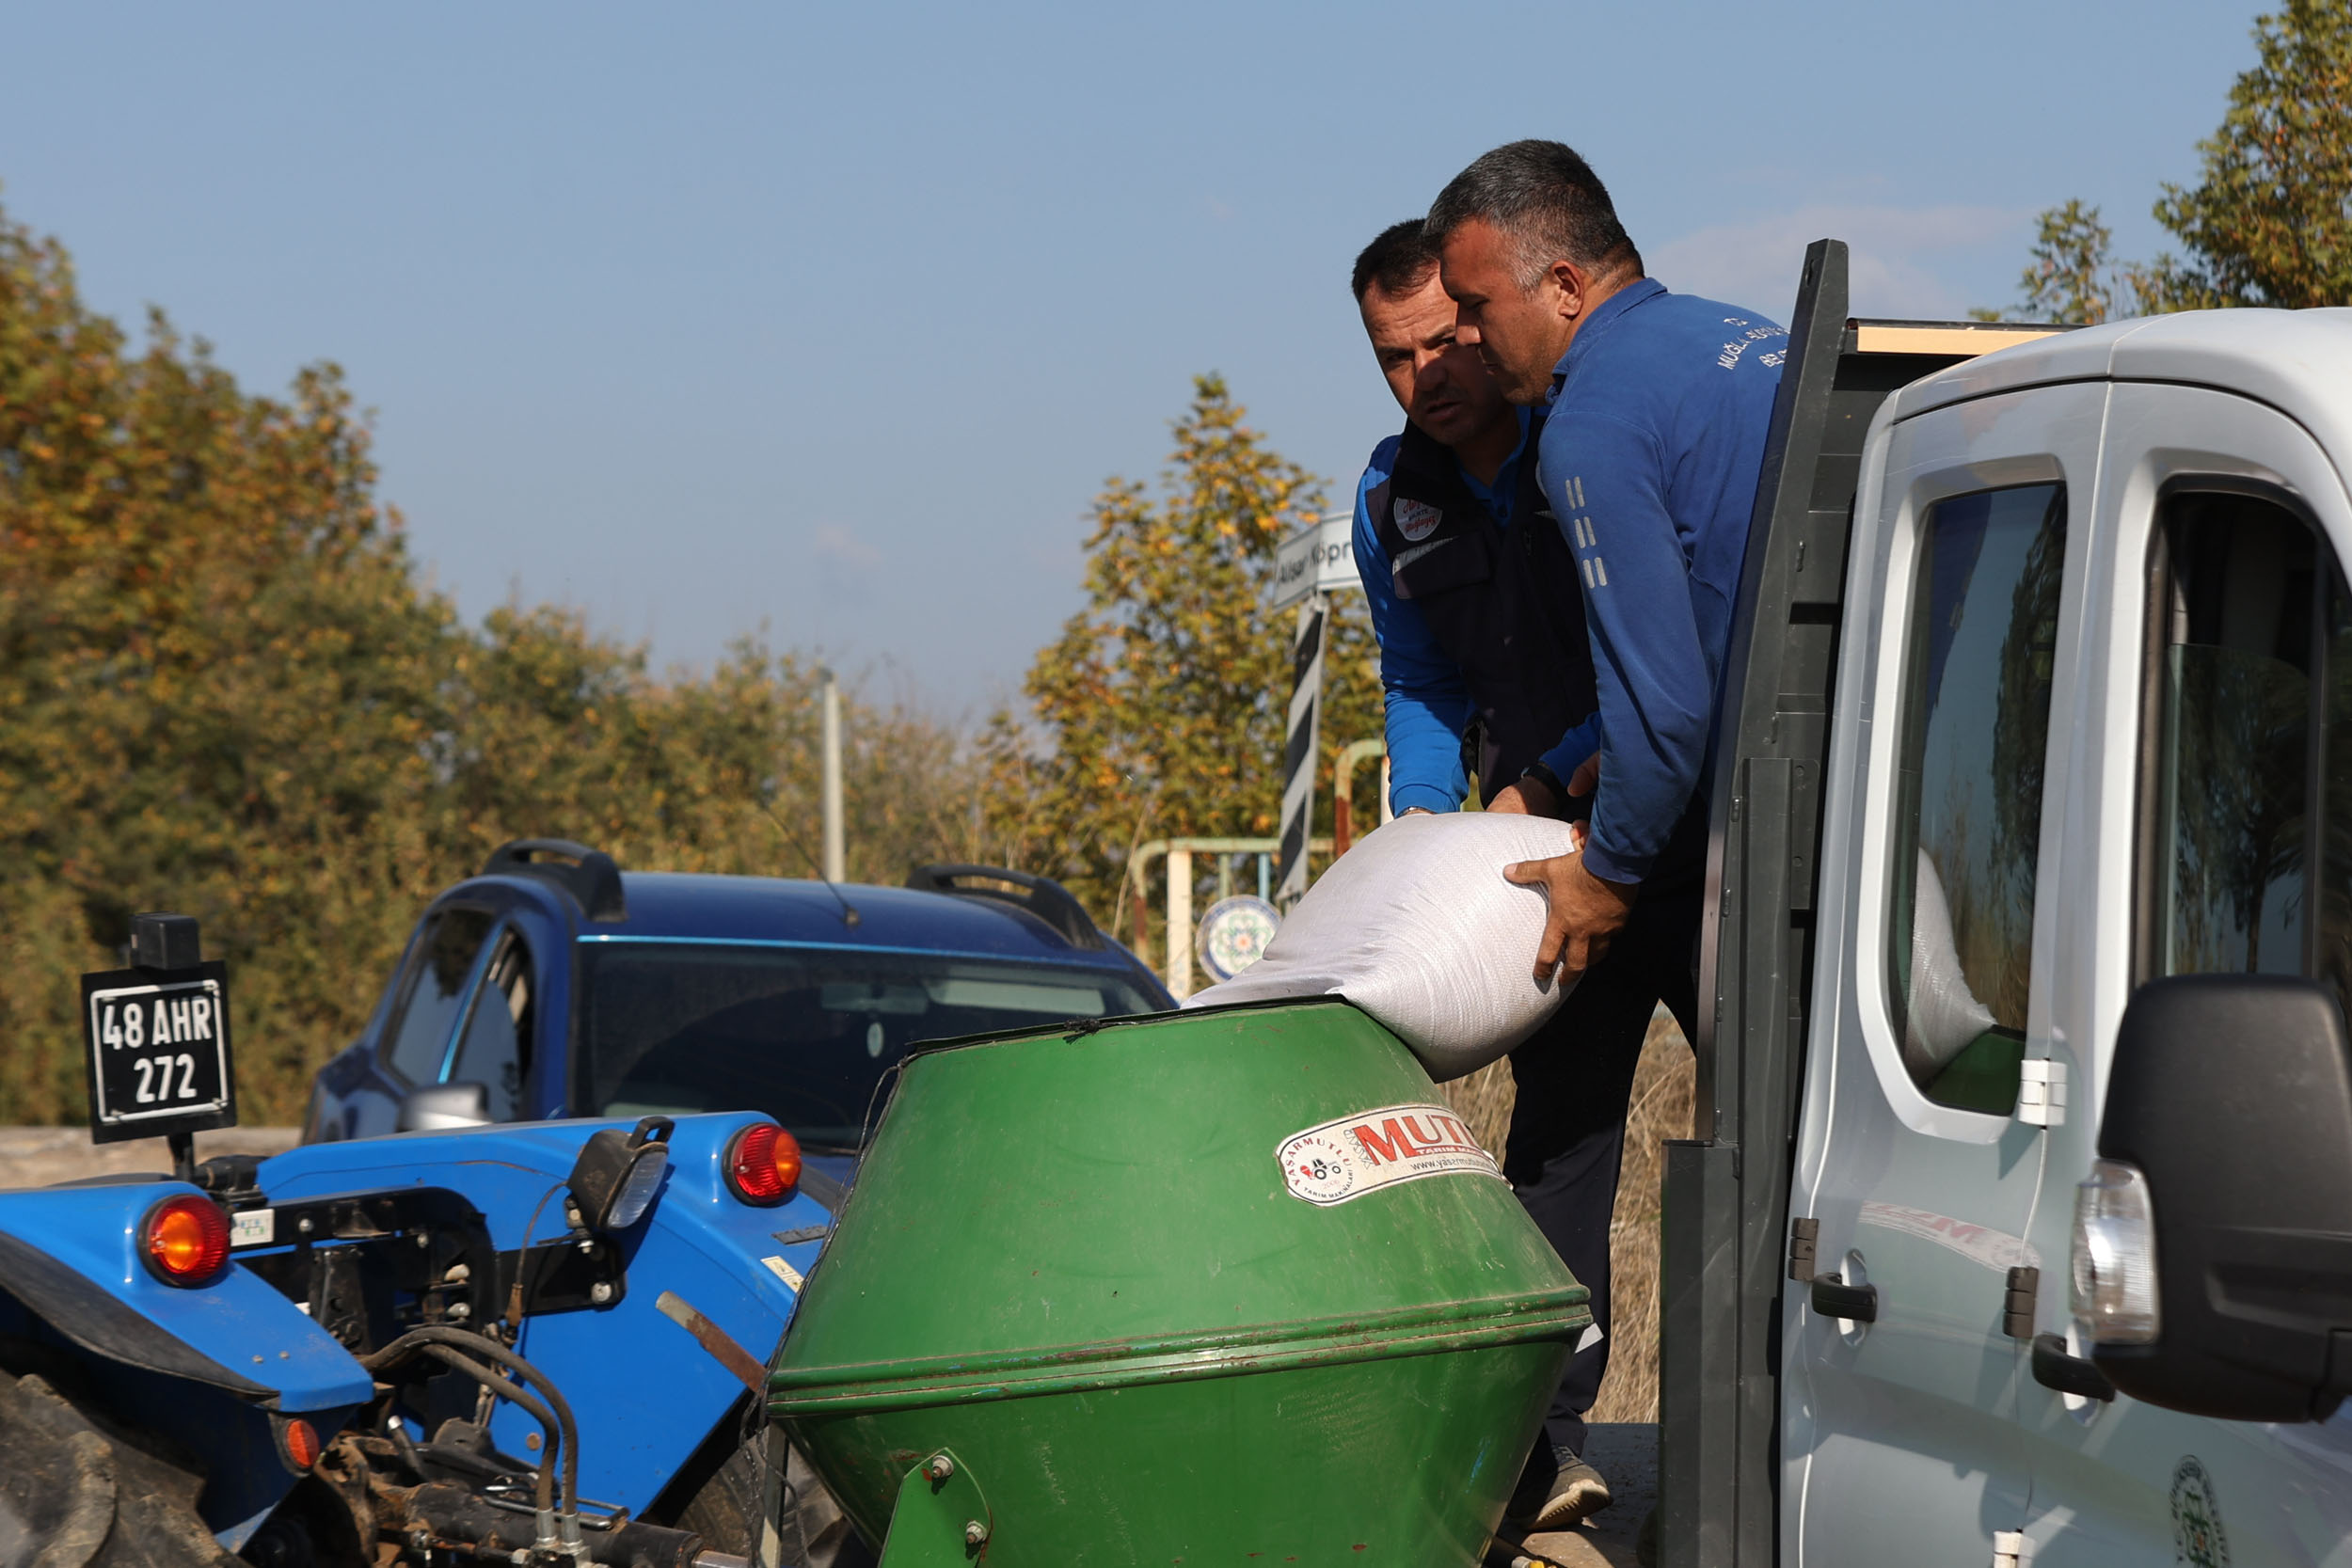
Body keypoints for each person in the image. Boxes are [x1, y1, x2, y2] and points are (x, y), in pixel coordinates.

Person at [1414, 142, 1786, 1529]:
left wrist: (1605, 870)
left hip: (1675, 840)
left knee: (1562, 1134)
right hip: (1797, 832)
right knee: (1794, 1136)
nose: (1464, 337)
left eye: (1474, 305)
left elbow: (1671, 708)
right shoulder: (1758, 347)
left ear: (1562, 283)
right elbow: (1716, 629)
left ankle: (1539, 1461)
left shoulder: (1587, 420)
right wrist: (1564, 764)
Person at [1344, 216, 1646, 1533]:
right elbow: (1420, 678)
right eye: (1392, 360)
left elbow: (1667, 649)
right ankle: (1545, 1462)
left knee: (1768, 1127)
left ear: (1476, 318)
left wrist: (1550, 775)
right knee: (1559, 1145)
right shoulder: (1388, 497)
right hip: (1537, 868)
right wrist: (1423, 827)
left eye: (1438, 342)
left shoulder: (1581, 443)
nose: (1425, 378)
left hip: (1664, 831)